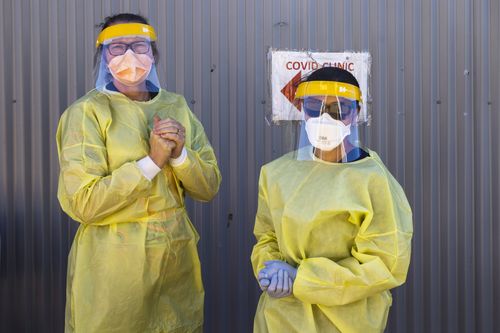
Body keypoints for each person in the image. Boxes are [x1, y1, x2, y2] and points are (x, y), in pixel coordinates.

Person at [56, 13, 221, 332]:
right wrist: (151, 163)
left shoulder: (176, 106)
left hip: (175, 261)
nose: (129, 56)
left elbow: (209, 186)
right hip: (114, 270)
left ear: (154, 54)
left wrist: (180, 155)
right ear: (103, 57)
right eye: (116, 47)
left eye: (139, 46)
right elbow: (84, 204)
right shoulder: (88, 113)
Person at [251, 66, 413, 332]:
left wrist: (302, 278)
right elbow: (266, 237)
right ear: (302, 109)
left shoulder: (373, 180)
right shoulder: (276, 174)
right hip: (282, 317)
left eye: (339, 109)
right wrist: (271, 272)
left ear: (356, 113)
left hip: (346, 321)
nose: (325, 118)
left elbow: (384, 263)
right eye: (314, 107)